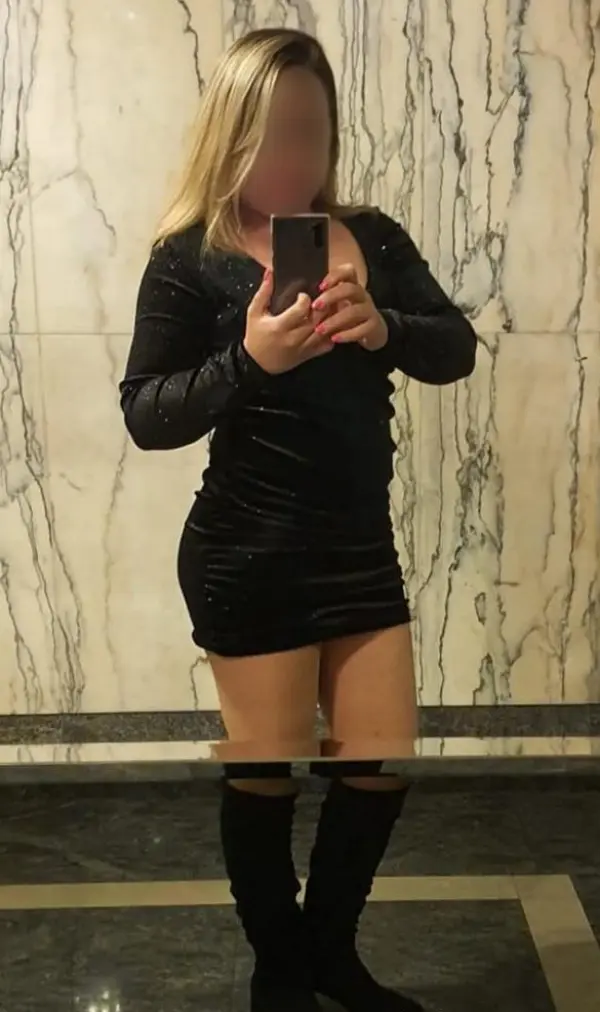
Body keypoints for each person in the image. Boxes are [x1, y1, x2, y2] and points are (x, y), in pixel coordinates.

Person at [119, 27, 476, 1012]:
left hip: (360, 552)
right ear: (233, 135)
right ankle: (280, 972)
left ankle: (327, 955)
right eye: (272, 134)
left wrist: (385, 327)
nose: (293, 155)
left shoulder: (374, 237)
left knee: (378, 765)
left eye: (311, 133)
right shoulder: (189, 259)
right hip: (250, 553)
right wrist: (250, 361)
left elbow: (455, 347)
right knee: (267, 775)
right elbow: (146, 412)